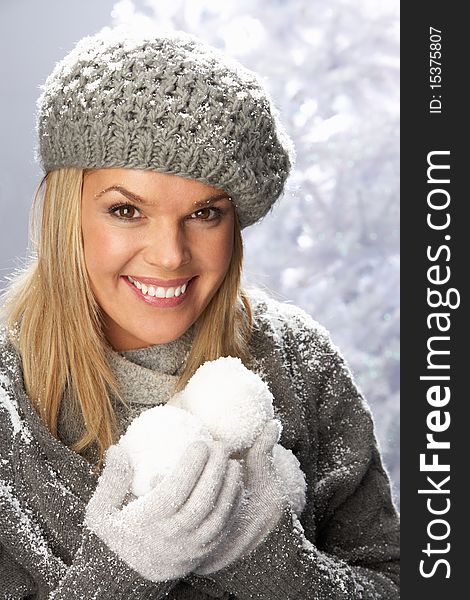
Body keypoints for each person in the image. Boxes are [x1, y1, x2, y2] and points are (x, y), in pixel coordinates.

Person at [0, 27, 399, 599]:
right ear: (68, 213)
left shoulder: (297, 364)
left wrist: (274, 565)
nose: (170, 255)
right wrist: (119, 571)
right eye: (126, 210)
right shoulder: (7, 401)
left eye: (205, 213)